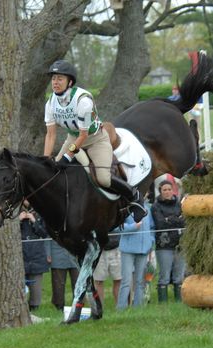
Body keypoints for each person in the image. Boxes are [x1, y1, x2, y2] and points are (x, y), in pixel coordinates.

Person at [43, 59, 147, 223]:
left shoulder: (83, 100)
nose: (55, 82)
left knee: (104, 178)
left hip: (95, 139)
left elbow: (83, 135)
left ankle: (134, 196)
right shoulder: (50, 102)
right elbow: (50, 135)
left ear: (70, 82)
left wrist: (66, 157)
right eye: (53, 78)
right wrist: (45, 159)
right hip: (72, 137)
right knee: (51, 174)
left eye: (59, 79)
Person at [151, 180, 186, 302]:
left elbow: (184, 221)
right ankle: (163, 303)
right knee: (164, 276)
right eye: (164, 190)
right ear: (160, 191)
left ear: (173, 190)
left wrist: (169, 219)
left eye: (169, 189)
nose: (167, 192)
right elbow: (160, 224)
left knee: (179, 276)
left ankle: (179, 301)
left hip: (180, 243)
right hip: (164, 245)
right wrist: (176, 219)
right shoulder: (156, 206)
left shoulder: (179, 204)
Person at [116, 200, 155, 310]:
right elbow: (116, 227)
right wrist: (133, 226)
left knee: (140, 281)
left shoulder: (147, 207)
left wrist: (150, 241)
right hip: (128, 250)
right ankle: (121, 308)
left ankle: (138, 308)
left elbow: (152, 227)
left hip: (144, 250)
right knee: (126, 281)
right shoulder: (125, 207)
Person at [19, 202, 49, 311]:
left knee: (36, 291)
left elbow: (44, 233)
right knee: (19, 289)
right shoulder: (12, 212)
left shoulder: (40, 212)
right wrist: (18, 221)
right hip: (20, 256)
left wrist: (34, 221)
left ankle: (35, 310)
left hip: (36, 255)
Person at [46, 240, 79, 311]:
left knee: (78, 282)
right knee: (58, 284)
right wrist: (48, 253)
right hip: (57, 254)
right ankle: (59, 306)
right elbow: (47, 238)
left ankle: (78, 304)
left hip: (75, 254)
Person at [92, 231, 121, 305]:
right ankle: (100, 308)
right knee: (98, 281)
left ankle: (120, 308)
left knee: (118, 279)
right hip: (98, 250)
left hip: (115, 248)